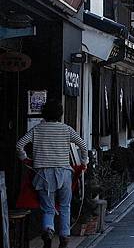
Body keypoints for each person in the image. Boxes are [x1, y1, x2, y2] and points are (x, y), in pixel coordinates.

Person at [16, 99, 88, 248]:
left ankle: (48, 230)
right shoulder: (66, 129)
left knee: (48, 208)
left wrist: (24, 157)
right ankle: (64, 237)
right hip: (64, 173)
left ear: (44, 114)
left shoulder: (37, 129)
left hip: (43, 174)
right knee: (64, 206)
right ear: (60, 115)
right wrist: (84, 162)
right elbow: (83, 144)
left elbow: (19, 144)